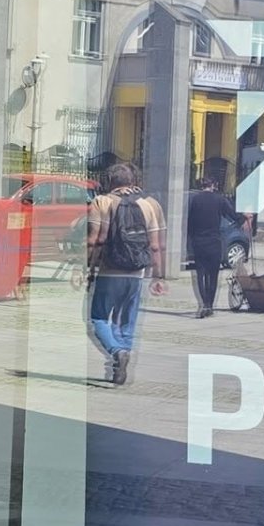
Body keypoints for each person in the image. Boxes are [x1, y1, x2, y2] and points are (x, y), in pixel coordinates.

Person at [85, 162, 166, 384]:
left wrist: (87, 268)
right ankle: (122, 364)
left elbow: (94, 240)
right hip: (136, 273)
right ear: (133, 180)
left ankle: (116, 352)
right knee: (127, 322)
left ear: (111, 181)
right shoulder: (151, 204)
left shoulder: (101, 201)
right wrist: (158, 276)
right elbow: (156, 245)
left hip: (109, 271)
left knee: (99, 318)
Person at [184, 169, 232, 318]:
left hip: (199, 242)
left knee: (200, 274)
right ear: (214, 185)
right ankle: (209, 305)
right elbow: (232, 215)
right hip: (214, 242)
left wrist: (191, 240)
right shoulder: (220, 200)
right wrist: (245, 217)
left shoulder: (195, 200)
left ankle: (204, 303)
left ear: (202, 185)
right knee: (213, 275)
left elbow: (190, 223)